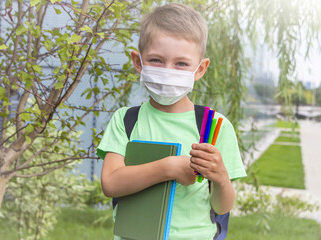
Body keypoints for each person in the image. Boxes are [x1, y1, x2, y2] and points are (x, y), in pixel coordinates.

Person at [97, 3, 246, 239]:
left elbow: (222, 206)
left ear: (200, 68)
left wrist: (220, 177)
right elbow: (111, 184)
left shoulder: (214, 127)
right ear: (138, 62)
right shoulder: (126, 120)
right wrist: (168, 168)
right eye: (156, 60)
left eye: (181, 64)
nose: (168, 71)